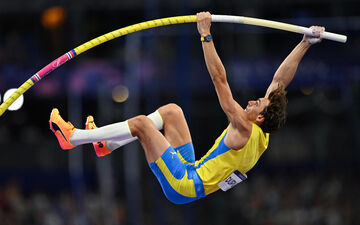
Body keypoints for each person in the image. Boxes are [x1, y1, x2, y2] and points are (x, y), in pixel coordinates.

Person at [49, 12, 325, 204]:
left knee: (142, 124)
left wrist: (205, 34)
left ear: (261, 117)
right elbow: (279, 81)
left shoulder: (244, 126)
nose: (253, 100)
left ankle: (73, 138)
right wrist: (305, 43)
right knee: (172, 112)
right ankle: (105, 145)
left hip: (183, 183)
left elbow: (219, 80)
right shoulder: (261, 137)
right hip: (191, 170)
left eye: (257, 103)